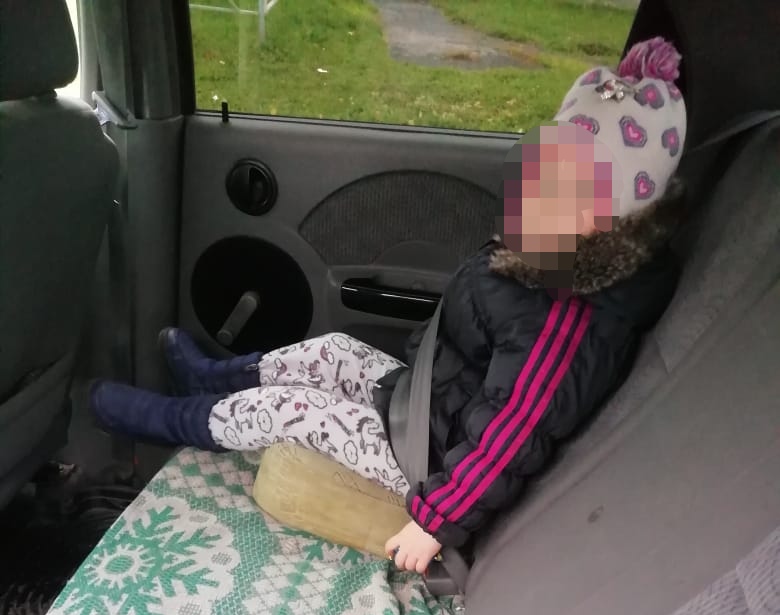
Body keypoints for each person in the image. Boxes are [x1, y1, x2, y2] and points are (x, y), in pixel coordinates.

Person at [91, 37, 687, 576]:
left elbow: (512, 432)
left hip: (429, 460)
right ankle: (208, 379)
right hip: (430, 404)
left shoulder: (570, 319)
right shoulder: (551, 250)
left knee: (295, 409)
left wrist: (436, 522)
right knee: (332, 351)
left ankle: (174, 422)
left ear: (613, 218)